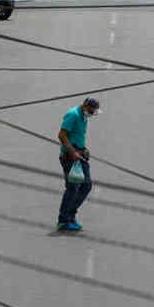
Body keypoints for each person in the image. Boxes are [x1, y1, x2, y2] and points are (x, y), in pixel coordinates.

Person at [57, 97, 100, 231]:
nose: (93, 114)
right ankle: (63, 220)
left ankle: (70, 214)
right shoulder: (73, 115)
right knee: (73, 187)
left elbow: (77, 136)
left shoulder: (84, 116)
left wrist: (84, 150)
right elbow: (62, 135)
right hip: (70, 157)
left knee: (86, 185)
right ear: (86, 107)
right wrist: (73, 152)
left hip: (80, 155)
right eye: (92, 111)